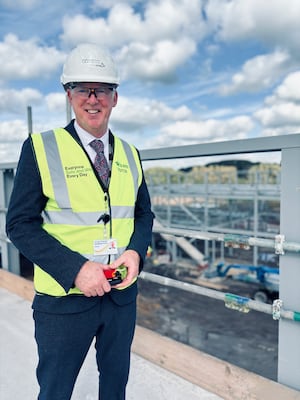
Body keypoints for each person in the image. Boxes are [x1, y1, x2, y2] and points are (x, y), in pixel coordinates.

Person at [6, 43, 154, 400]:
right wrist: (76, 269)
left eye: (102, 89)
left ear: (114, 97)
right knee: (56, 390)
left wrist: (135, 254)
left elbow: (143, 214)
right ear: (68, 95)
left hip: (120, 296)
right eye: (82, 89)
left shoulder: (131, 154)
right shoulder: (41, 147)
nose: (93, 98)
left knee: (115, 385)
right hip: (65, 300)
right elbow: (19, 224)